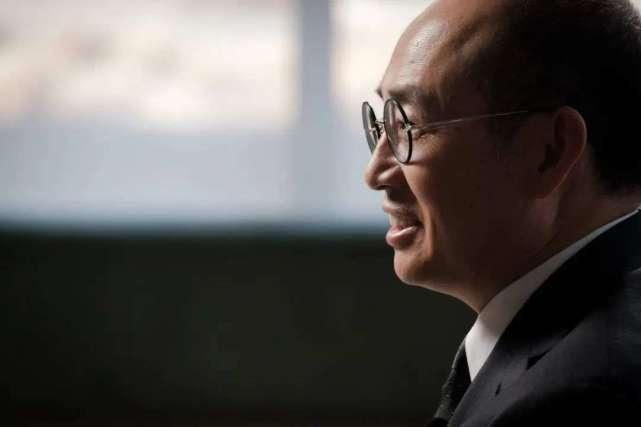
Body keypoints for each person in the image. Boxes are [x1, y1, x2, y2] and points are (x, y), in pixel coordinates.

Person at [362, 0, 641, 425]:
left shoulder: (576, 398)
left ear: (548, 152)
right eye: (384, 126)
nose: (375, 174)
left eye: (409, 125)